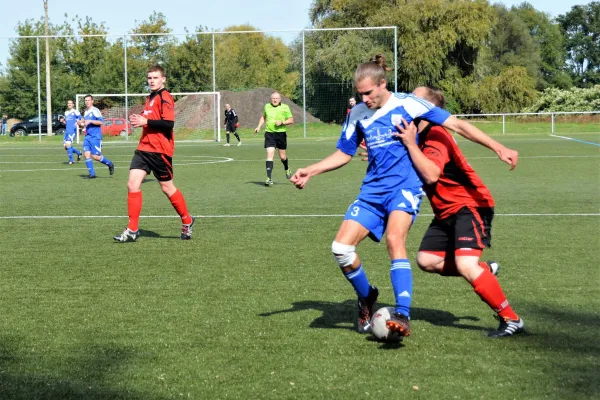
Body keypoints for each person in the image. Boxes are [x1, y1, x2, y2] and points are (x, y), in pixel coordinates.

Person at [290, 54, 518, 339]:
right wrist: (311, 171)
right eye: (359, 94)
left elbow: (457, 125)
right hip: (372, 191)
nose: (364, 99)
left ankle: (403, 313)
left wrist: (498, 147)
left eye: (369, 93)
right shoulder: (357, 114)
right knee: (341, 250)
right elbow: (344, 153)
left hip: (405, 190)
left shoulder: (408, 105)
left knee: (395, 240)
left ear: (383, 84)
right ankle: (367, 296)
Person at [391, 86, 525, 338]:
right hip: (446, 211)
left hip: (469, 205)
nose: (406, 99)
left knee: (465, 263)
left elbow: (431, 173)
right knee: (427, 260)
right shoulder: (416, 134)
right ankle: (483, 270)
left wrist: (409, 144)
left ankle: (511, 318)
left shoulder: (435, 135)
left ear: (425, 108)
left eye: (413, 97)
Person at [113, 65, 195, 243]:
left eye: (155, 77)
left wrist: (146, 121)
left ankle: (187, 220)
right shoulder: (149, 97)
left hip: (160, 150)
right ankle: (132, 230)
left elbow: (169, 124)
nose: (152, 81)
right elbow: (148, 120)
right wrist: (138, 120)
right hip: (144, 148)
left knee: (167, 188)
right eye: (149, 78)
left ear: (163, 79)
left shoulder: (165, 97)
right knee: (132, 184)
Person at [254, 92, 294, 186]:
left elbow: (291, 120)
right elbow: (263, 117)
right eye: (273, 98)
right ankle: (269, 178)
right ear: (270, 99)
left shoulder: (285, 107)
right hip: (269, 134)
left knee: (283, 157)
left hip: (281, 135)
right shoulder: (267, 106)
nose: (275, 100)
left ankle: (287, 168)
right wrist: (259, 126)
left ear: (280, 99)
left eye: (276, 98)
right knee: (270, 153)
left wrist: (282, 122)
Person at [80, 95, 114, 178]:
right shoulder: (86, 112)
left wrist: (90, 121)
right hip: (88, 136)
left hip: (95, 137)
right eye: (85, 100)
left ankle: (110, 164)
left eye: (88, 100)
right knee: (86, 154)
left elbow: (101, 122)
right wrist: (81, 124)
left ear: (92, 101)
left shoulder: (95, 110)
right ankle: (92, 174)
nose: (87, 102)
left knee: (96, 157)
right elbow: (86, 123)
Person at [63, 100, 83, 165]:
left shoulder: (75, 112)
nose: (69, 104)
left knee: (68, 145)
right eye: (68, 103)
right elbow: (67, 122)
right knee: (66, 147)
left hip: (72, 131)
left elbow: (81, 118)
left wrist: (78, 122)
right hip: (67, 131)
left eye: (71, 103)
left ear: (73, 104)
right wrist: (64, 122)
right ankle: (79, 153)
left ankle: (71, 160)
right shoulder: (66, 112)